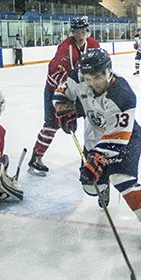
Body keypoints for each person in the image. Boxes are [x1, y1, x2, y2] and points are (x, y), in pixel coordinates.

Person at [52, 48, 141, 248]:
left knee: (122, 180)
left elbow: (118, 136)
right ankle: (102, 187)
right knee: (90, 186)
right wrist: (64, 109)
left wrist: (97, 160)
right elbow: (61, 92)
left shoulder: (123, 94)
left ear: (109, 71)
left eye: (99, 76)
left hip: (125, 138)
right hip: (93, 139)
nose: (95, 82)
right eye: (89, 78)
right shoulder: (76, 78)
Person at [28, 16, 100, 176]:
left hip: (82, 91)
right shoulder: (64, 49)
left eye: (83, 31)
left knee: (92, 120)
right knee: (52, 124)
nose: (81, 36)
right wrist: (66, 103)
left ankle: (92, 156)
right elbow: (55, 76)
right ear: (72, 32)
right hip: (57, 91)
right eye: (77, 32)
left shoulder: (94, 45)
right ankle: (36, 158)